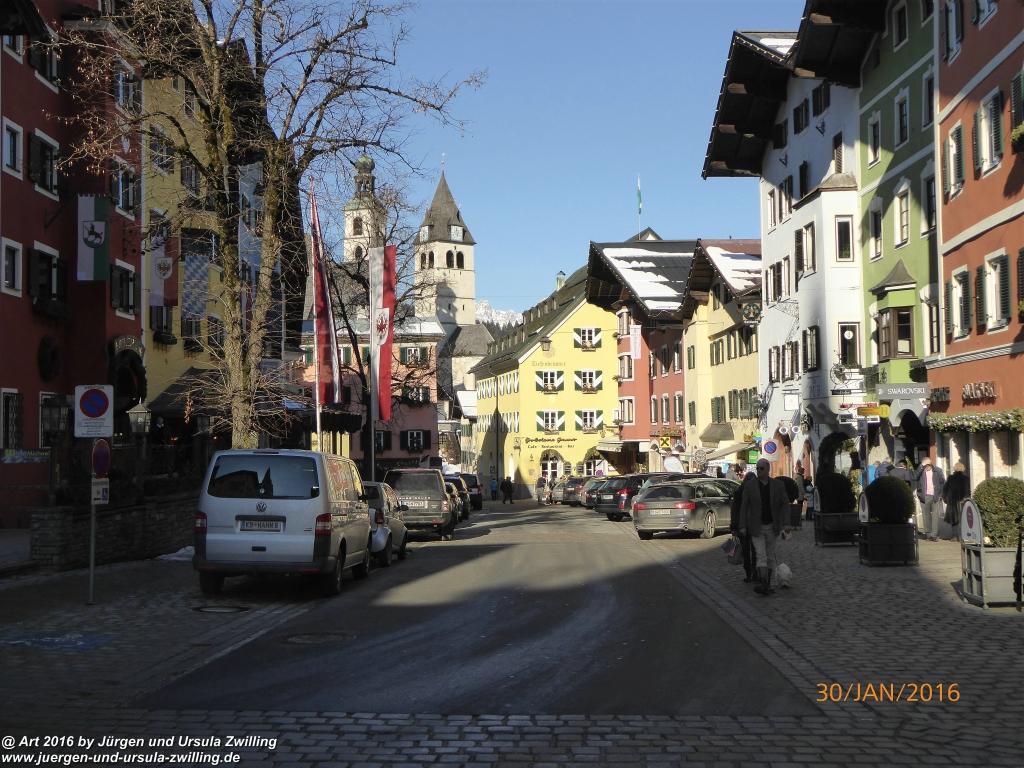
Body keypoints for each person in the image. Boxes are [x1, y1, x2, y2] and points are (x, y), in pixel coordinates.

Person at [738, 458, 790, 596]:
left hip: (772, 526)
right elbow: (744, 506)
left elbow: (785, 504)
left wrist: (786, 523)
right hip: (756, 527)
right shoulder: (750, 485)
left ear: (768, 469)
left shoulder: (778, 485)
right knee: (761, 555)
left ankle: (768, 582)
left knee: (770, 556)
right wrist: (742, 525)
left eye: (761, 468)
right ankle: (763, 583)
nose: (759, 470)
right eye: (757, 468)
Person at [730, 475, 757, 583]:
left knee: (749, 552)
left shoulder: (739, 492)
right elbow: (735, 510)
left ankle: (750, 574)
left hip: (746, 526)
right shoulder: (742, 493)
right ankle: (753, 573)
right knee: (751, 551)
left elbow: (734, 511)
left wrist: (733, 526)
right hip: (746, 526)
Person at [915, 457, 946, 541]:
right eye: (925, 465)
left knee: (935, 516)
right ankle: (928, 535)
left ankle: (934, 535)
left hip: (935, 495)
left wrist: (940, 494)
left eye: (928, 464)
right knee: (926, 515)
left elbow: (943, 482)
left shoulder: (938, 471)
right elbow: (915, 477)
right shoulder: (921, 471)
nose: (927, 466)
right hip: (924, 496)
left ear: (931, 463)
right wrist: (921, 466)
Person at [943, 462, 970, 532]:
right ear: (963, 469)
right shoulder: (965, 478)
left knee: (953, 519)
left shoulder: (950, 478)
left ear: (955, 469)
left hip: (952, 502)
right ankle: (962, 536)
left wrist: (945, 499)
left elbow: (945, 489)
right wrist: (967, 499)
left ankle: (954, 536)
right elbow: (967, 490)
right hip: (962, 501)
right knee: (963, 518)